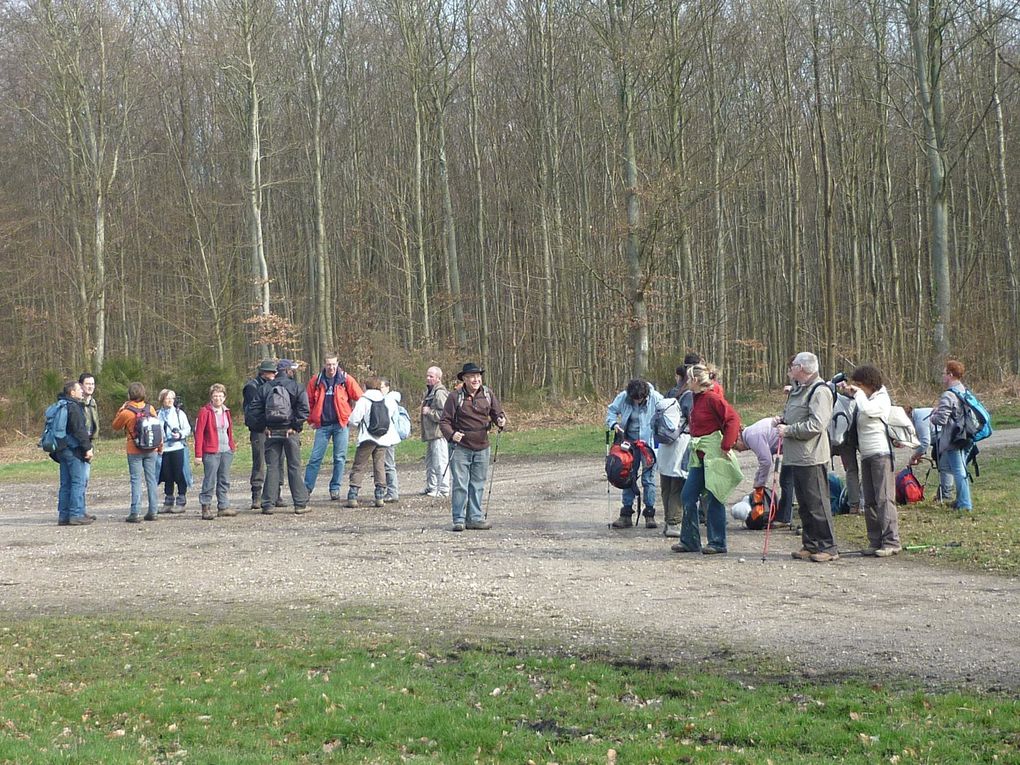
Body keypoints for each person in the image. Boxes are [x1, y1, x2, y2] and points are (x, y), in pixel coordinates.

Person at [673, 364, 742, 555]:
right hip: (699, 455)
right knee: (688, 495)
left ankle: (718, 542)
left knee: (715, 496)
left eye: (688, 379)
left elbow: (733, 419)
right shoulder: (696, 398)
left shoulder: (712, 398)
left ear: (695, 380)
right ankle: (690, 540)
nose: (686, 382)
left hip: (714, 454)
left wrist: (726, 445)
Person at [776, 352, 838, 562]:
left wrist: (789, 430)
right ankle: (810, 544)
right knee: (804, 504)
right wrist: (783, 420)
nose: (790, 368)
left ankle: (828, 547)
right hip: (797, 456)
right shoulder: (800, 390)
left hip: (811, 456)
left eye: (793, 365)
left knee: (817, 503)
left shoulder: (820, 391)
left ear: (801, 368)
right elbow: (799, 415)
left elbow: (817, 425)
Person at [840, 366, 900, 556]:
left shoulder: (881, 398)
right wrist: (846, 393)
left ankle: (891, 541)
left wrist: (857, 394)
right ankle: (875, 540)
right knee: (870, 501)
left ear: (868, 384)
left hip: (881, 453)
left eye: (859, 384)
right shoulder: (865, 398)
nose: (857, 388)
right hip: (866, 454)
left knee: (884, 498)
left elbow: (868, 410)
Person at [439, 363, 507, 532]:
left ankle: (475, 518)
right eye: (471, 376)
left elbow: (497, 413)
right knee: (460, 484)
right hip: (461, 446)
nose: (476, 379)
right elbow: (444, 421)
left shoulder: (487, 393)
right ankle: (459, 519)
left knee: (477, 483)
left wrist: (500, 421)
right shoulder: (455, 397)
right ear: (464, 379)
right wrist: (452, 434)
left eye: (478, 376)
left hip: (482, 445)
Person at [249, 359, 311, 514]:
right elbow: (304, 410)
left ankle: (268, 504)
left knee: (272, 467)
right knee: (294, 466)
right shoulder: (297, 387)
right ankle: (300, 504)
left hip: (271, 433)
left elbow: (253, 410)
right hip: (290, 433)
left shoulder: (265, 388)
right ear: (288, 371)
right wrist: (295, 427)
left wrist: (264, 427)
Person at [605, 378, 663, 529]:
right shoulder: (623, 397)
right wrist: (614, 424)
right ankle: (626, 514)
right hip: (628, 443)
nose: (637, 402)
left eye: (640, 399)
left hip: (648, 445)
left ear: (646, 395)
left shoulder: (656, 398)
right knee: (627, 476)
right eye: (634, 399)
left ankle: (649, 514)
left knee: (648, 479)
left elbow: (666, 413)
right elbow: (611, 411)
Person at [305, 354, 363, 501]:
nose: (331, 367)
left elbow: (361, 398)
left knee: (339, 458)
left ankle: (335, 488)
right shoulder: (316, 380)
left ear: (337, 364)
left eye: (333, 364)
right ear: (324, 365)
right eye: (328, 364)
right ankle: (306, 488)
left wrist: (353, 417)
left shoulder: (345, 379)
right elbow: (308, 402)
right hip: (322, 425)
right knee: (315, 458)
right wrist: (310, 419)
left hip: (341, 424)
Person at [345, 377, 401, 508]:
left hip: (367, 438)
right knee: (379, 466)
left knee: (359, 465)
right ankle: (380, 496)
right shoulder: (384, 399)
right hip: (383, 438)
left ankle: (353, 495)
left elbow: (354, 419)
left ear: (366, 386)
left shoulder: (364, 400)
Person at [112, 382, 162, 523]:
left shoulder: (126, 412)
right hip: (151, 448)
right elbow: (158, 428)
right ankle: (153, 511)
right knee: (151, 479)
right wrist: (160, 446)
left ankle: (135, 512)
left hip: (134, 449)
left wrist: (121, 409)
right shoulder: (150, 408)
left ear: (129, 395)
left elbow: (115, 426)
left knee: (136, 480)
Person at [930, 359, 973, 511]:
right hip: (966, 435)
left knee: (959, 471)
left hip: (954, 438)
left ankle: (965, 504)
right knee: (948, 467)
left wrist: (932, 417)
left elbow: (941, 420)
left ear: (950, 374)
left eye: (944, 373)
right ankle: (958, 499)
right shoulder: (964, 390)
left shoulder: (949, 395)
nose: (942, 376)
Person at [732, 417, 791, 526]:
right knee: (787, 480)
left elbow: (766, 462)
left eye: (736, 447)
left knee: (787, 481)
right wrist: (757, 479)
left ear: (738, 438)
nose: (739, 451)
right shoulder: (751, 433)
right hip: (788, 443)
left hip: (790, 443)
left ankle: (785, 518)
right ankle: (785, 516)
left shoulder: (751, 436)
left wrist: (760, 484)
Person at [52, 380, 94, 526]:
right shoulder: (73, 407)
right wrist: (87, 448)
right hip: (73, 450)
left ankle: (63, 515)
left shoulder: (60, 405)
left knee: (65, 483)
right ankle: (76, 514)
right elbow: (79, 431)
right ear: (72, 392)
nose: (82, 391)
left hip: (61, 449)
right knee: (78, 482)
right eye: (79, 389)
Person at [193, 383, 236, 520]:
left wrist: (232, 446)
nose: (218, 398)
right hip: (211, 451)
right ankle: (206, 506)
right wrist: (198, 455)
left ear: (224, 397)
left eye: (220, 396)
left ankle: (223, 506)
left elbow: (229, 431)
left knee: (224, 479)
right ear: (211, 397)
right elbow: (199, 433)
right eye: (215, 396)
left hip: (226, 450)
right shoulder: (205, 411)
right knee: (210, 480)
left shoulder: (226, 411)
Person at [243, 360, 278, 510]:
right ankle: (256, 495)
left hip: (275, 427)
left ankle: (276, 493)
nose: (273, 374)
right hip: (258, 430)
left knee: (276, 461)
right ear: (263, 372)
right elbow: (252, 411)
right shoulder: (252, 387)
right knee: (259, 461)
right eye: (271, 372)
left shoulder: (275, 385)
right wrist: (262, 426)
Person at [157, 389, 192, 513]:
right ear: (162, 400)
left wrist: (180, 434)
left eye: (172, 398)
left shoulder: (179, 414)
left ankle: (181, 500)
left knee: (180, 473)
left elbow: (188, 429)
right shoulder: (158, 414)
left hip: (178, 448)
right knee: (167, 475)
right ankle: (168, 501)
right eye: (167, 398)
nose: (170, 400)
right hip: (164, 449)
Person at [420, 366, 451, 497]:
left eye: (431, 376)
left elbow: (445, 414)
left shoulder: (440, 393)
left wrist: (429, 412)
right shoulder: (430, 391)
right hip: (431, 434)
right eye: (427, 375)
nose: (428, 378)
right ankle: (432, 487)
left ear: (438, 378)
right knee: (430, 462)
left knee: (440, 462)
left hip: (439, 433)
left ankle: (443, 489)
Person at [380, 378, 403, 503]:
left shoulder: (390, 401)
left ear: (387, 388)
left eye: (382, 387)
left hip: (388, 437)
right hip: (384, 437)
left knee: (389, 465)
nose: (380, 390)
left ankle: (392, 492)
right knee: (383, 465)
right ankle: (386, 490)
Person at [79, 372, 99, 499]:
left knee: (85, 479)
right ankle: (77, 509)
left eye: (92, 384)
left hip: (90, 442)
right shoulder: (77, 403)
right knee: (80, 478)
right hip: (80, 443)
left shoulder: (92, 402)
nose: (90, 386)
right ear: (81, 385)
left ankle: (81, 507)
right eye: (87, 384)